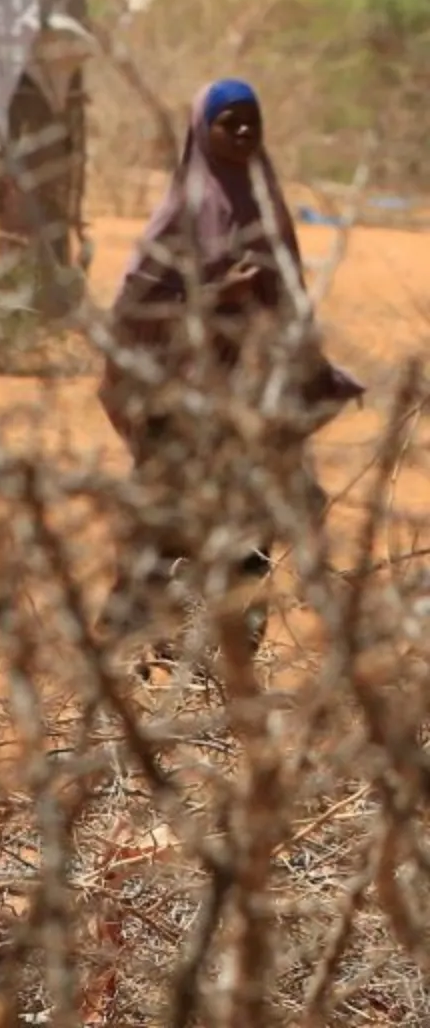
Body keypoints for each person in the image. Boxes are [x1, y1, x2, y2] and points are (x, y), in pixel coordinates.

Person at [98, 79, 363, 663]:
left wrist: (316, 373)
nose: (243, 132)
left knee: (248, 538)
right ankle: (135, 665)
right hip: (185, 407)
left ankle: (231, 662)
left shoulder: (269, 209)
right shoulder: (183, 212)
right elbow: (132, 314)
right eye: (230, 122)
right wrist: (217, 294)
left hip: (256, 409)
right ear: (203, 130)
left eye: (252, 121)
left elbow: (293, 306)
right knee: (169, 534)